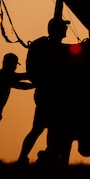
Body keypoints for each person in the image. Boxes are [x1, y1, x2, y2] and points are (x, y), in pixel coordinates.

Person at [18, 17, 71, 164]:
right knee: (43, 128)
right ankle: (27, 157)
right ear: (57, 30)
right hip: (49, 95)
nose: (66, 30)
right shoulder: (52, 48)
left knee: (40, 129)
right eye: (63, 28)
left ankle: (30, 157)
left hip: (46, 94)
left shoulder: (46, 46)